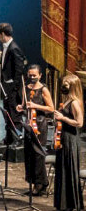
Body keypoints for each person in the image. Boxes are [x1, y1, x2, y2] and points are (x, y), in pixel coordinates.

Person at [18, 65, 52, 196]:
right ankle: (34, 183)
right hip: (29, 124)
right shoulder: (25, 88)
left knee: (38, 154)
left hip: (39, 124)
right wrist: (21, 107)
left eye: (34, 75)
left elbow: (51, 108)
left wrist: (35, 106)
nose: (32, 78)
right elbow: (24, 105)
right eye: (30, 75)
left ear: (40, 75)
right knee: (29, 154)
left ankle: (41, 184)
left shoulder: (44, 89)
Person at [53, 73, 84, 211]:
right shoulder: (67, 100)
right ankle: (63, 204)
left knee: (68, 169)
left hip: (70, 140)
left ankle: (70, 205)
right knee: (62, 170)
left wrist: (63, 118)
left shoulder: (75, 102)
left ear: (72, 86)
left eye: (66, 84)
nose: (63, 87)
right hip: (64, 138)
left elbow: (79, 122)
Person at [0, 22, 26, 143]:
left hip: (12, 90)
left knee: (14, 115)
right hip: (7, 88)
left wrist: (12, 89)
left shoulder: (14, 48)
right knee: (7, 114)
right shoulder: (6, 46)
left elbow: (19, 72)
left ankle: (16, 140)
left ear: (3, 34)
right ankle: (9, 138)